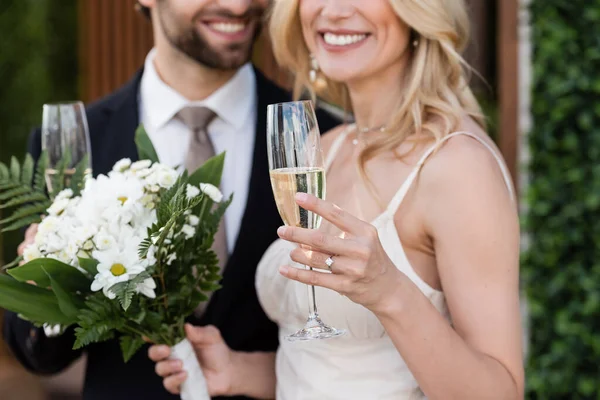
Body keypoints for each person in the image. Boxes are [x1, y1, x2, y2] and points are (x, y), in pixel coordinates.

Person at [150, 0, 525, 399]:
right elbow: (337, 370)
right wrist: (239, 371)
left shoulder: (456, 165)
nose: (335, 10)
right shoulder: (324, 148)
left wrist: (391, 293)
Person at [3, 1, 340, 399]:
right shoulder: (82, 142)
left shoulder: (326, 140)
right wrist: (50, 275)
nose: (238, 5)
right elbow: (39, 355)